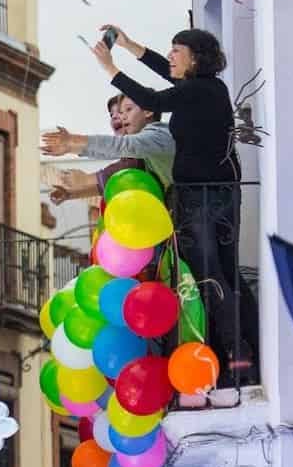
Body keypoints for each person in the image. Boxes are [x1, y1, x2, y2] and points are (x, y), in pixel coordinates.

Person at [93, 26, 259, 377]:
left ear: (195, 57)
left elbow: (153, 100)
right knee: (225, 273)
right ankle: (248, 345)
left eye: (176, 51)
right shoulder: (206, 89)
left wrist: (110, 68)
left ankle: (237, 351)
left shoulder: (197, 91)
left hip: (199, 197)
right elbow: (161, 72)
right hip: (219, 193)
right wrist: (128, 44)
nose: (170, 56)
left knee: (208, 276)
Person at [42, 95, 175, 202]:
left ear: (148, 111)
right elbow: (115, 177)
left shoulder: (156, 135)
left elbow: (121, 159)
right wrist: (72, 147)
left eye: (127, 110)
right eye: (113, 114)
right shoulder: (142, 149)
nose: (121, 117)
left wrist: (73, 142)